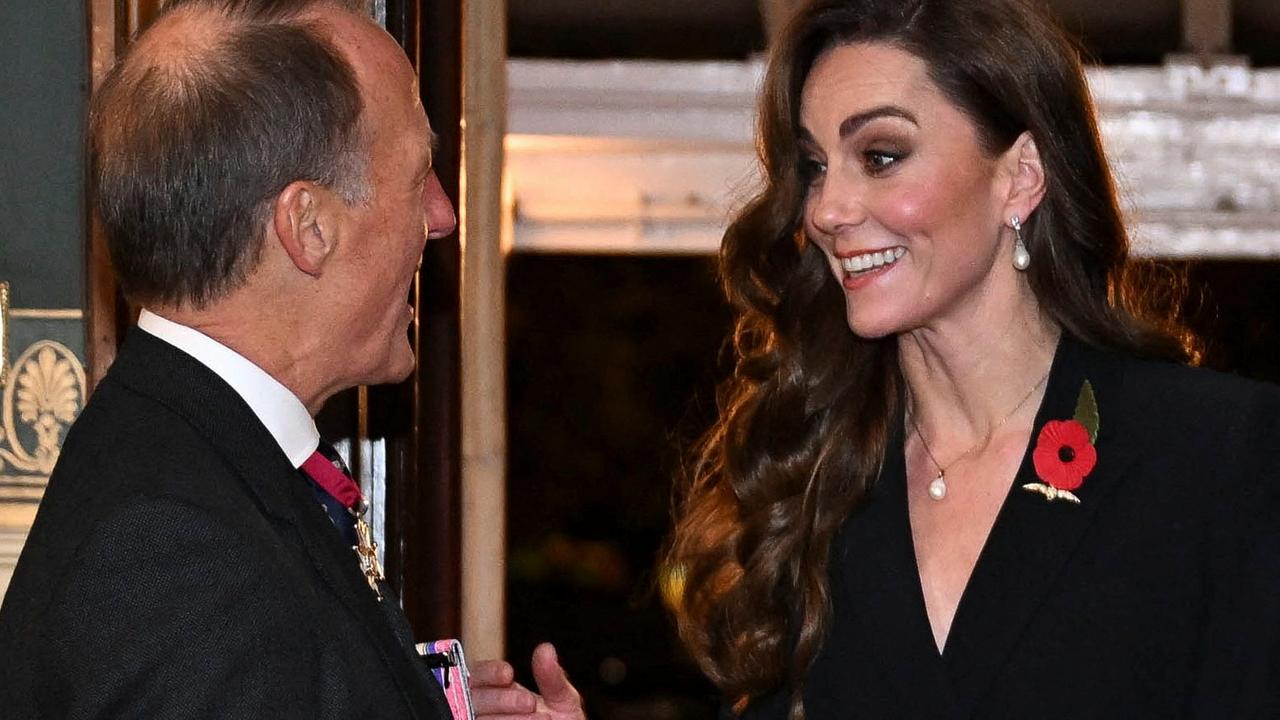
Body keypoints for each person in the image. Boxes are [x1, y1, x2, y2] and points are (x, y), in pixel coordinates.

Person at [665, 0, 1280, 717]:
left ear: (1019, 176)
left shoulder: (1217, 453)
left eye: (881, 157)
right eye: (814, 167)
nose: (827, 208)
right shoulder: (813, 481)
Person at [0, 1, 584, 718]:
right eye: (417, 173)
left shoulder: (204, 466)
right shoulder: (182, 559)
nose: (441, 216)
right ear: (308, 226)